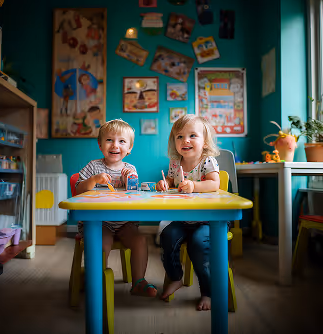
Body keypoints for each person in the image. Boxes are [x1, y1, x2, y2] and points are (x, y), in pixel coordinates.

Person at [76, 119, 157, 297]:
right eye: (109, 140)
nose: (115, 145)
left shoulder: (130, 168)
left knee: (140, 241)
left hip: (124, 222)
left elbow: (135, 196)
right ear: (100, 145)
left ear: (129, 148)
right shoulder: (93, 166)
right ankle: (95, 280)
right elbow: (78, 189)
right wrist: (94, 180)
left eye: (121, 141)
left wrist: (131, 181)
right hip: (98, 221)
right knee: (101, 244)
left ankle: (138, 281)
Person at [156, 114, 220, 310]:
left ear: (205, 141)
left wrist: (194, 185)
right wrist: (164, 183)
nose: (186, 140)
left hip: (207, 220)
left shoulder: (207, 161)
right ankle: (175, 277)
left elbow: (214, 184)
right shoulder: (175, 163)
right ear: (174, 141)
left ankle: (207, 292)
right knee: (166, 236)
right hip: (184, 219)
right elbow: (171, 180)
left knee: (199, 245)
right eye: (180, 136)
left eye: (193, 135)